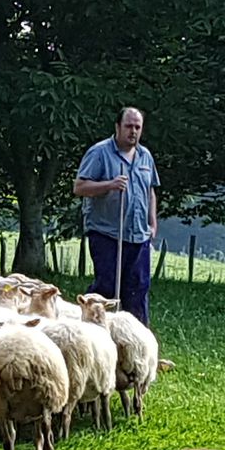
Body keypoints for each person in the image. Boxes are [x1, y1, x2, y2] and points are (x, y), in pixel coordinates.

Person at [73, 107, 158, 324]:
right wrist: (109, 185)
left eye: (137, 127)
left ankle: (137, 343)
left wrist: (152, 223)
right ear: (117, 127)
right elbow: (80, 187)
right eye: (129, 126)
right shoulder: (99, 152)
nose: (133, 131)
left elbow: (150, 191)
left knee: (138, 289)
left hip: (138, 235)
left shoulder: (145, 156)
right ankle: (93, 333)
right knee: (107, 286)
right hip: (107, 232)